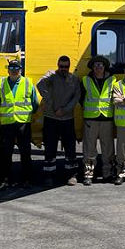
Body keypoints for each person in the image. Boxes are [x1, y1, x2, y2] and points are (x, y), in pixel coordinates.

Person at [37, 56, 81, 186]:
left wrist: (65, 110)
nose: (63, 69)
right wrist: (53, 106)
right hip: (51, 118)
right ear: (57, 65)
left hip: (67, 118)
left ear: (69, 66)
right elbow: (40, 85)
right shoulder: (51, 77)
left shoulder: (73, 79)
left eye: (66, 67)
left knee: (70, 148)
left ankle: (71, 175)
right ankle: (49, 176)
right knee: (50, 148)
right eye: (61, 66)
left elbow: (76, 96)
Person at [0, 60, 38, 189]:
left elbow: (35, 103)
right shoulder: (0, 84)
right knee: (6, 154)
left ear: (21, 70)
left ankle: (27, 179)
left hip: (23, 124)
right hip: (7, 124)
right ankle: (7, 180)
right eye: (11, 68)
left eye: (17, 68)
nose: (14, 70)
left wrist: (28, 115)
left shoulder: (28, 83)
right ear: (8, 70)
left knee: (25, 153)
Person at [79, 55, 115, 186]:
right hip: (91, 119)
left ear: (104, 67)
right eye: (96, 65)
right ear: (92, 68)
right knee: (89, 149)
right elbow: (81, 98)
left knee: (108, 149)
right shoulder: (85, 80)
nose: (98, 67)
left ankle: (107, 174)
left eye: (100, 65)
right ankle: (88, 175)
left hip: (107, 118)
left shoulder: (112, 80)